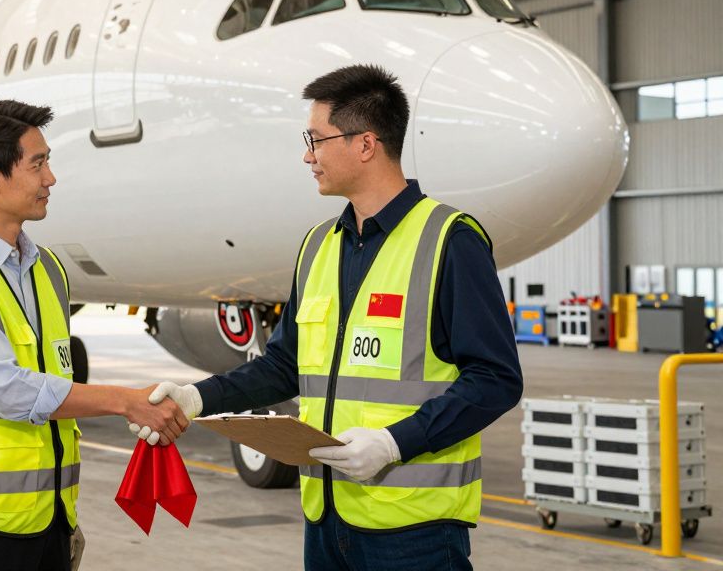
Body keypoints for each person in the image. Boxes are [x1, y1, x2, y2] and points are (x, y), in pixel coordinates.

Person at [146, 65, 523, 570]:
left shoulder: (450, 241)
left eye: (316, 140)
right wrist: (197, 397)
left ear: (365, 144)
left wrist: (393, 443)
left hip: (414, 530)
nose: (308, 155)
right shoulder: (319, 245)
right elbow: (284, 365)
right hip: (325, 521)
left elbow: (496, 379)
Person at [0, 98, 189, 571]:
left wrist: (60, 522)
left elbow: (51, 383)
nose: (50, 178)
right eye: (37, 164)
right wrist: (126, 401)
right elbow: (9, 391)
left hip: (50, 522)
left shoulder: (48, 270)